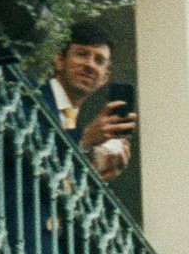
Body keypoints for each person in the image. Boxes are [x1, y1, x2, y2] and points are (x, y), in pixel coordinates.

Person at [43, 18, 132, 181]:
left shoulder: (74, 125)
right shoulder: (32, 97)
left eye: (99, 60)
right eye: (82, 54)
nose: (90, 65)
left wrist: (96, 176)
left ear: (105, 77)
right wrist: (85, 140)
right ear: (59, 60)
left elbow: (62, 185)